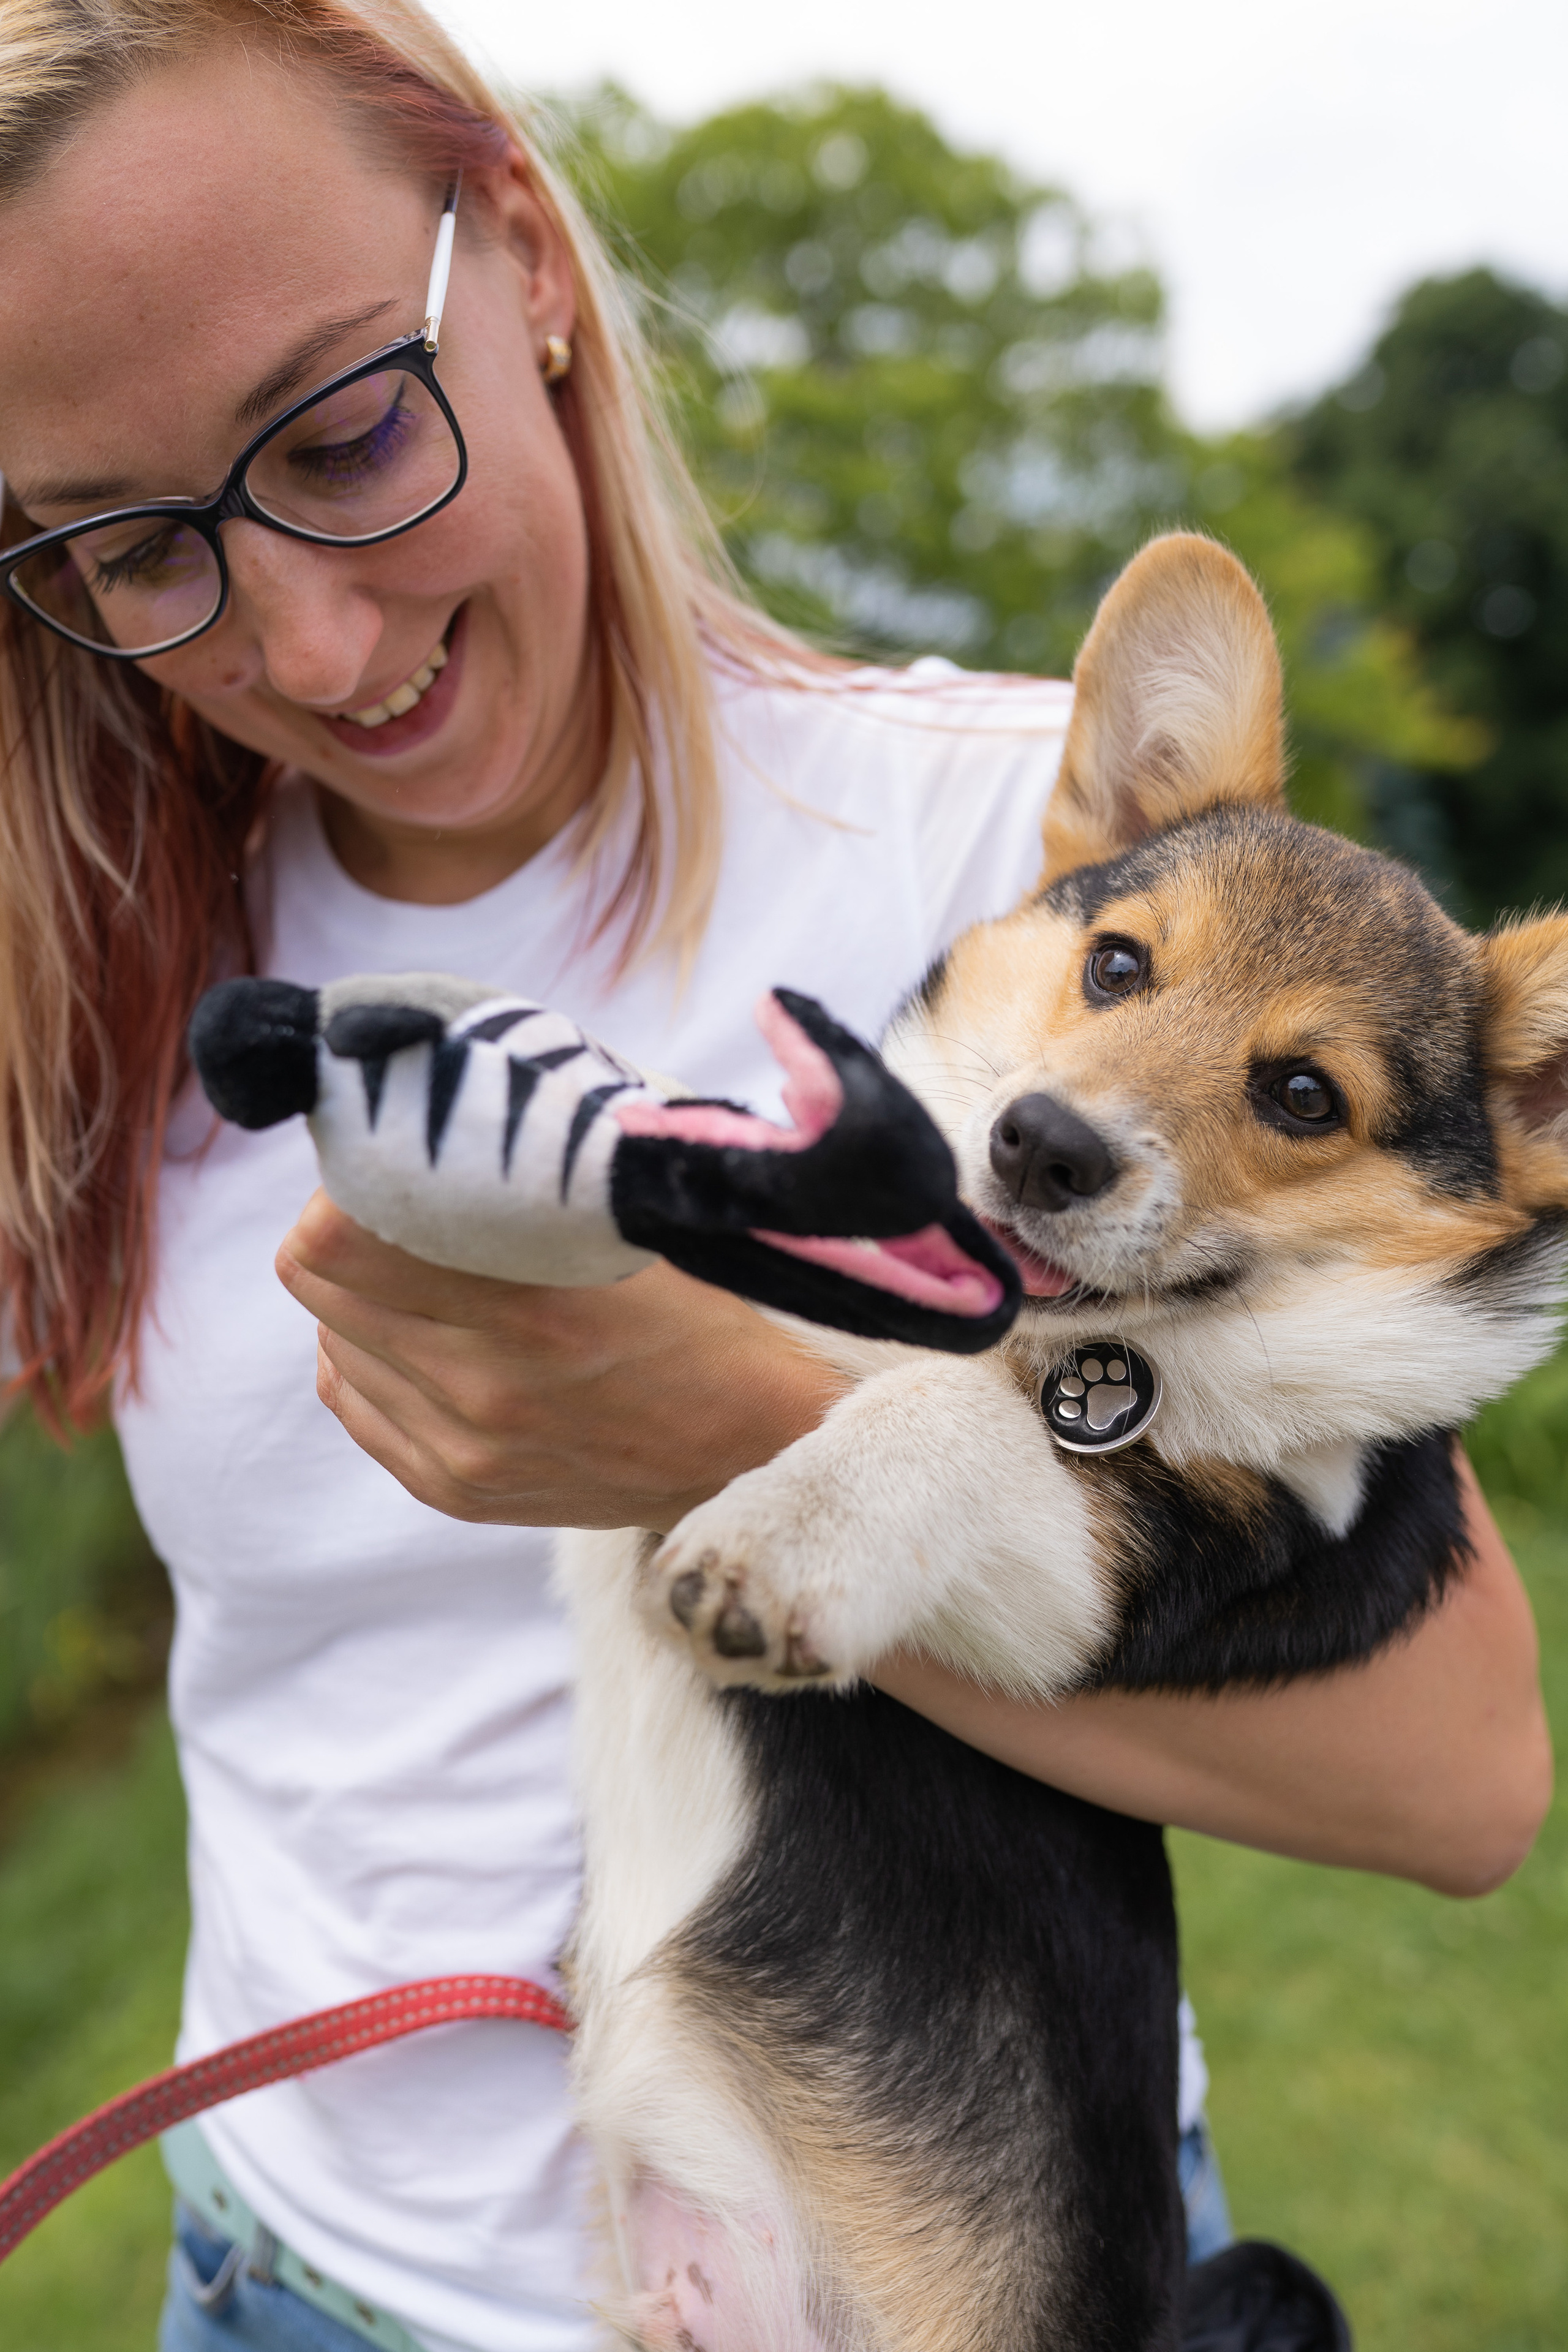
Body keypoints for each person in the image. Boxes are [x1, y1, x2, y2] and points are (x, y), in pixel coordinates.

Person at [0, 6, 1549, 2349]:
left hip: (946, 2268)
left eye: (343, 435)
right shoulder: (117, 948)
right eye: (130, 548)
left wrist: (736, 1420)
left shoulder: (1038, 903)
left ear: (517, 255)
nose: (311, 639)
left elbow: (1456, 1784)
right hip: (284, 2271)